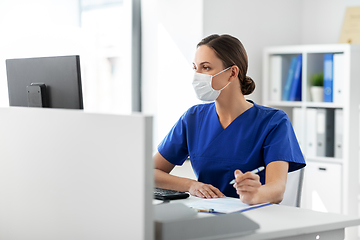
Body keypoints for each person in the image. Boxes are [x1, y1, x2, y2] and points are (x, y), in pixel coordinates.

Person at [154, 34, 305, 205]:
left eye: (206, 67)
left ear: (232, 73)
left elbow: (277, 189)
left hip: (256, 216)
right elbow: (150, 171)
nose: (197, 75)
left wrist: (255, 194)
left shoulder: (274, 122)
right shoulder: (193, 119)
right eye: (195, 67)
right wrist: (191, 185)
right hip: (208, 214)